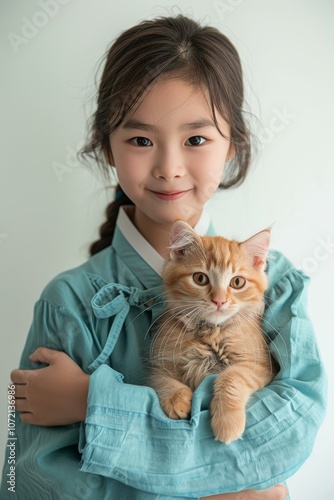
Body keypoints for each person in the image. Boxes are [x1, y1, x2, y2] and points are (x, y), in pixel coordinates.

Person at [1, 14, 326, 500]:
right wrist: (222, 489)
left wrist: (96, 404)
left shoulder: (274, 283)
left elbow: (291, 432)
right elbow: (25, 479)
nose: (169, 168)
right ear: (107, 146)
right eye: (140, 140)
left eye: (196, 139)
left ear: (231, 144)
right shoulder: (68, 302)